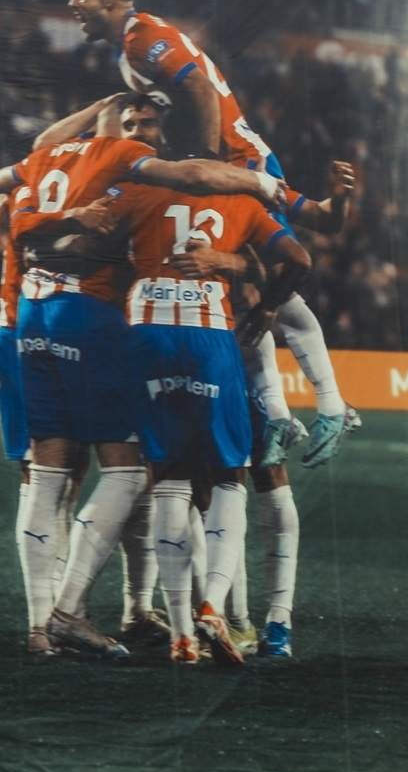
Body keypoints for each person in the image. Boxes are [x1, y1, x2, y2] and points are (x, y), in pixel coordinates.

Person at [0, 95, 291, 661]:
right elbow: (200, 183)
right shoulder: (127, 170)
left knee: (57, 471)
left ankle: (97, 615)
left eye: (146, 121)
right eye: (128, 122)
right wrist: (262, 189)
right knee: (136, 469)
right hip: (97, 321)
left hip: (26, 319)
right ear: (112, 128)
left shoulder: (48, 162)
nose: (138, 131)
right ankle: (74, 610)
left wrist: (57, 228)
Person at [63, 0, 358, 471]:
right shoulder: (130, 51)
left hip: (239, 166)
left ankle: (332, 405)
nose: (73, 5)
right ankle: (279, 416)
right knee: (241, 298)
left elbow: (198, 86)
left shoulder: (142, 39)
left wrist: (201, 161)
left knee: (273, 285)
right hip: (227, 165)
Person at [77, 172, 312, 664]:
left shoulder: (139, 183)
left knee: (167, 477)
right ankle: (219, 609)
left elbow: (86, 239)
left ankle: (182, 634)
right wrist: (258, 296)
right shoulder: (244, 196)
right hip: (212, 335)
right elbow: (297, 260)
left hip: (146, 332)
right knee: (231, 478)